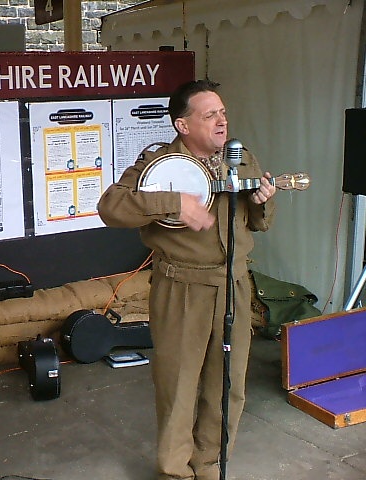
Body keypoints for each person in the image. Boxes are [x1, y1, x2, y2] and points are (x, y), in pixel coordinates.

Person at [97, 79, 276, 480]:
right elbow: (111, 207)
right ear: (182, 125)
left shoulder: (241, 159)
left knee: (228, 385)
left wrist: (264, 202)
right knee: (179, 387)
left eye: (223, 113)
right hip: (182, 287)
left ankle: (209, 463)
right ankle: (176, 471)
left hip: (234, 285)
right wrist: (175, 201)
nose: (221, 121)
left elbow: (258, 224)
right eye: (209, 114)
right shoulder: (159, 164)